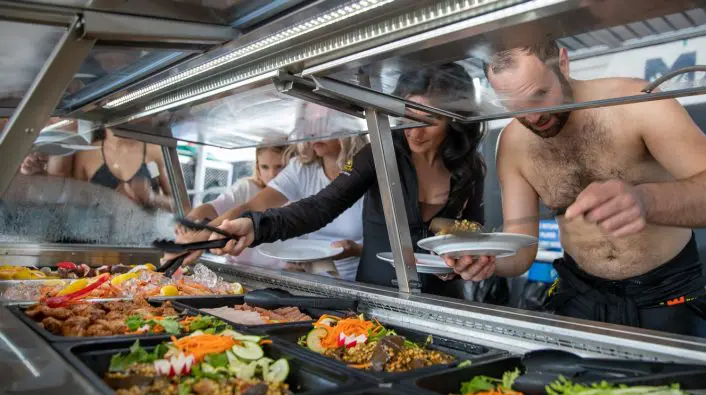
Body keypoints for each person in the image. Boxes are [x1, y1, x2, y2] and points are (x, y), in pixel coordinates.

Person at [447, 42, 706, 337]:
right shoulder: (514, 143)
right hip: (580, 297)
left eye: (540, 95)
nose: (531, 117)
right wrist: (486, 258)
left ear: (563, 63)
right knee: (576, 392)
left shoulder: (636, 101)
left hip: (666, 295)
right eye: (514, 107)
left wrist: (646, 200)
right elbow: (522, 250)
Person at [180, 63, 486, 296]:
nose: (414, 131)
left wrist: (463, 262)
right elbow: (320, 207)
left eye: (428, 120)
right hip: (379, 296)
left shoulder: (471, 167)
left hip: (446, 300)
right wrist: (256, 225)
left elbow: (473, 232)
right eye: (406, 117)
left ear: (454, 118)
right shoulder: (379, 152)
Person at [179, 134, 368, 281]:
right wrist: (201, 238)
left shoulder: (366, 167)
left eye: (324, 126)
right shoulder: (302, 168)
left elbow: (388, 240)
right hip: (315, 279)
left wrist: (356, 249)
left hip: (359, 278)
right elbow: (254, 206)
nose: (314, 134)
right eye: (310, 126)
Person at [69, 127, 177, 211]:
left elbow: (179, 205)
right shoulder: (85, 154)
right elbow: (75, 205)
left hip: (147, 236)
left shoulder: (154, 151)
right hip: (100, 237)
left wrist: (153, 198)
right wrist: (107, 198)